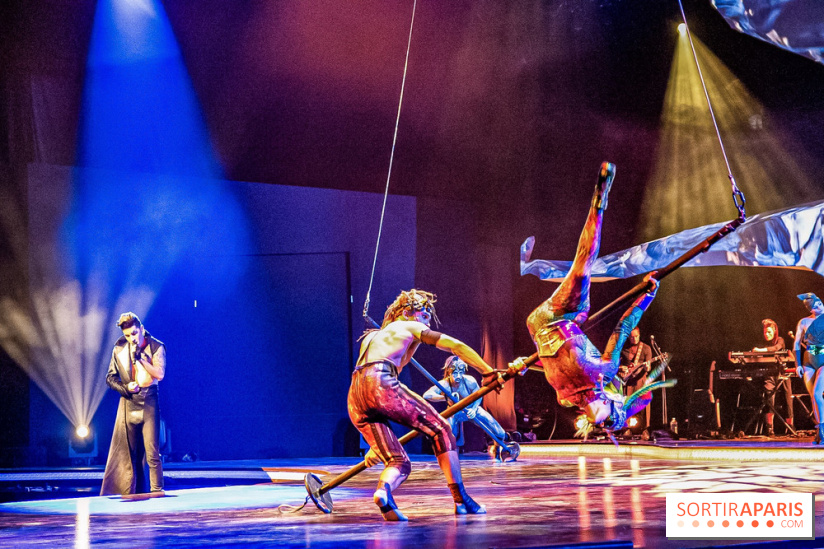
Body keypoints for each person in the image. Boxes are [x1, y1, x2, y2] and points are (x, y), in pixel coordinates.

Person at [525, 162, 665, 436]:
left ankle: (598, 206)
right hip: (535, 325)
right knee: (581, 296)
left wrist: (649, 294)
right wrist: (525, 363)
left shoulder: (605, 372)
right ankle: (598, 204)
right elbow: (552, 363)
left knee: (583, 263)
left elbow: (624, 325)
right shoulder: (564, 397)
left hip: (560, 314)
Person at [349, 289, 499, 520]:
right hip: (381, 384)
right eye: (425, 313)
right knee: (442, 430)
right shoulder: (409, 326)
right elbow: (455, 346)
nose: (428, 317)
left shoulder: (374, 336)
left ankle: (383, 492)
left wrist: (377, 444)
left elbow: (394, 371)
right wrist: (487, 371)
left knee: (397, 461)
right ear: (408, 313)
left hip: (356, 395)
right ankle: (462, 500)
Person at [100, 312, 166, 495]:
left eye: (134, 333)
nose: (131, 338)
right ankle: (134, 494)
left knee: (152, 454)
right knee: (132, 456)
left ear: (142, 329)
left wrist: (141, 360)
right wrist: (125, 387)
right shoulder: (119, 349)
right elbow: (110, 378)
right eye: (127, 335)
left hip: (149, 402)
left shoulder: (156, 346)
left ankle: (157, 491)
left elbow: (160, 374)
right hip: (129, 403)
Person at [423, 356, 508, 460]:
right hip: (456, 412)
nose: (458, 376)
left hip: (472, 410)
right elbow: (426, 395)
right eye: (455, 373)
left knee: (499, 432)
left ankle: (498, 451)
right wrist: (445, 397)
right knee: (449, 435)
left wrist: (474, 409)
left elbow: (479, 394)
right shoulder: (444, 384)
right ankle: (450, 457)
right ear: (449, 372)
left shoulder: (469, 381)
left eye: (460, 372)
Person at [794, 293, 824, 445]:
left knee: (818, 393)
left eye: (819, 304)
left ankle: (823, 428)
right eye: (815, 307)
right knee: (813, 395)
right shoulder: (803, 322)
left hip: (823, 360)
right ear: (810, 310)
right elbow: (796, 344)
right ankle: (819, 430)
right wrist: (797, 364)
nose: (819, 307)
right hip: (808, 362)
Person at [753, 318, 791, 436]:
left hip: (782, 373)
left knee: (787, 396)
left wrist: (761, 350)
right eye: (765, 332)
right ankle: (770, 427)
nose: (766, 334)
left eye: (769, 332)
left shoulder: (780, 340)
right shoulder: (762, 343)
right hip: (769, 374)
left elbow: (776, 348)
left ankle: (790, 426)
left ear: (774, 331)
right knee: (769, 396)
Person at [618, 327, 653, 434]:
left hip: (641, 380)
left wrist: (647, 367)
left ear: (639, 335)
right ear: (629, 336)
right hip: (627, 382)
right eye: (632, 337)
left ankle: (645, 429)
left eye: (636, 336)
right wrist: (621, 368)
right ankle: (626, 429)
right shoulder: (623, 348)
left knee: (643, 403)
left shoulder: (646, 348)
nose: (634, 339)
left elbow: (649, 367)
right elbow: (615, 364)